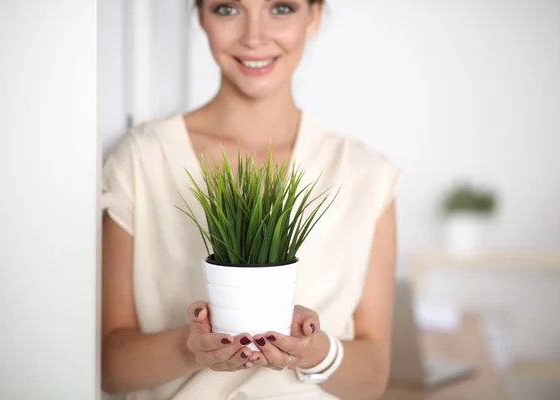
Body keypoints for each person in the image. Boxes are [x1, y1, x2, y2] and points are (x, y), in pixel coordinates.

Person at [101, 0, 401, 399]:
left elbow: (373, 379)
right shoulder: (141, 159)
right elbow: (110, 368)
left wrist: (313, 352)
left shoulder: (366, 175)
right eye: (227, 9)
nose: (254, 37)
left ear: (313, 16)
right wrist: (192, 348)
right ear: (201, 16)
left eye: (281, 8)